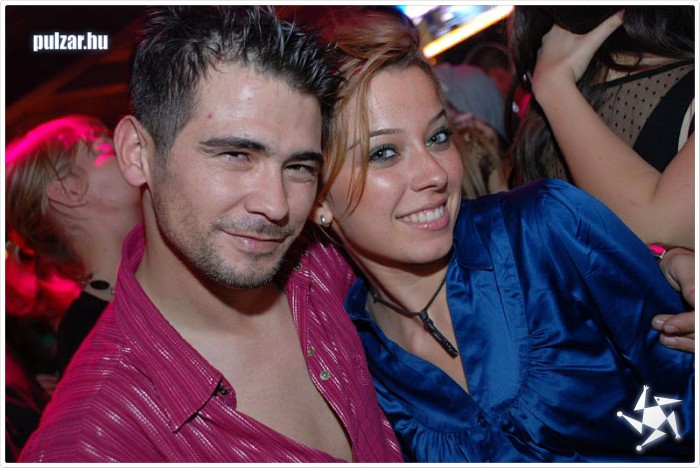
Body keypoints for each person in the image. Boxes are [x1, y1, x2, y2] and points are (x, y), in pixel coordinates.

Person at [19, 6, 401, 463]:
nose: (277, 205)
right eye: (236, 155)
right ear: (138, 153)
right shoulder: (92, 444)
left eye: (299, 166)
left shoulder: (328, 266)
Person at [310, 10, 694, 462]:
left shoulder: (544, 230)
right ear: (318, 199)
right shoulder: (355, 365)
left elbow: (682, 385)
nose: (435, 173)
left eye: (437, 137)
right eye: (384, 153)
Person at [507, 6, 694, 250]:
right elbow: (662, 229)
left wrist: (553, 84)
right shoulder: (549, 104)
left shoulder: (540, 117)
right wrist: (554, 85)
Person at [5, 115, 143, 375]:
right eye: (108, 149)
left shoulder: (172, 262)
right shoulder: (87, 332)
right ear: (70, 192)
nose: (131, 151)